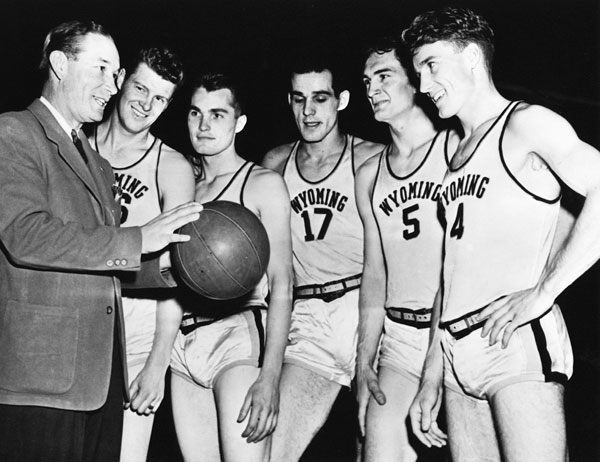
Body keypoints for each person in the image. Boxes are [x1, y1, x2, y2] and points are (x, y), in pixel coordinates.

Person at [403, 7, 600, 461]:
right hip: (456, 354)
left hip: (511, 341)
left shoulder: (525, 123)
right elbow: (451, 273)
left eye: (431, 65)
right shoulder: (455, 155)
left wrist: (545, 292)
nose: (423, 85)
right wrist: (433, 370)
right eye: (417, 72)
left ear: (472, 57)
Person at [0, 20, 202, 462]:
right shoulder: (13, 132)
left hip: (101, 377)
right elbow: (24, 235)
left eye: (115, 73)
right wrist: (138, 238)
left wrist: (176, 274)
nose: (112, 86)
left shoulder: (94, 161)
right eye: (101, 69)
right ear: (59, 64)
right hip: (43, 377)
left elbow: (100, 264)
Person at [262, 56, 383, 462]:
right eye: (299, 99)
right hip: (309, 318)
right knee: (270, 450)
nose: (308, 111)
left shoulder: (371, 158)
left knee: (375, 448)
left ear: (341, 100)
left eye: (320, 98)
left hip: (368, 311)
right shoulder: (275, 164)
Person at [169, 72, 293, 462]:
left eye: (217, 114)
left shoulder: (262, 183)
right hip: (182, 346)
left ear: (239, 123)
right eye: (195, 113)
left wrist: (270, 377)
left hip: (236, 338)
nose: (203, 125)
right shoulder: (179, 184)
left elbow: (283, 283)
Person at [90, 46, 195, 462]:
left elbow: (178, 273)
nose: (146, 105)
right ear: (119, 81)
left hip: (138, 323)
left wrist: (158, 362)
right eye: (140, 88)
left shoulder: (172, 167)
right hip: (78, 314)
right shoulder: (75, 145)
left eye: (160, 98)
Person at [355, 37, 450, 461]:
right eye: (366, 81)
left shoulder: (455, 149)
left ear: (416, 80)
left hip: (454, 333)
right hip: (400, 338)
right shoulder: (368, 174)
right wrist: (363, 362)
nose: (372, 89)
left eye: (384, 76)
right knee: (377, 442)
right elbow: (374, 274)